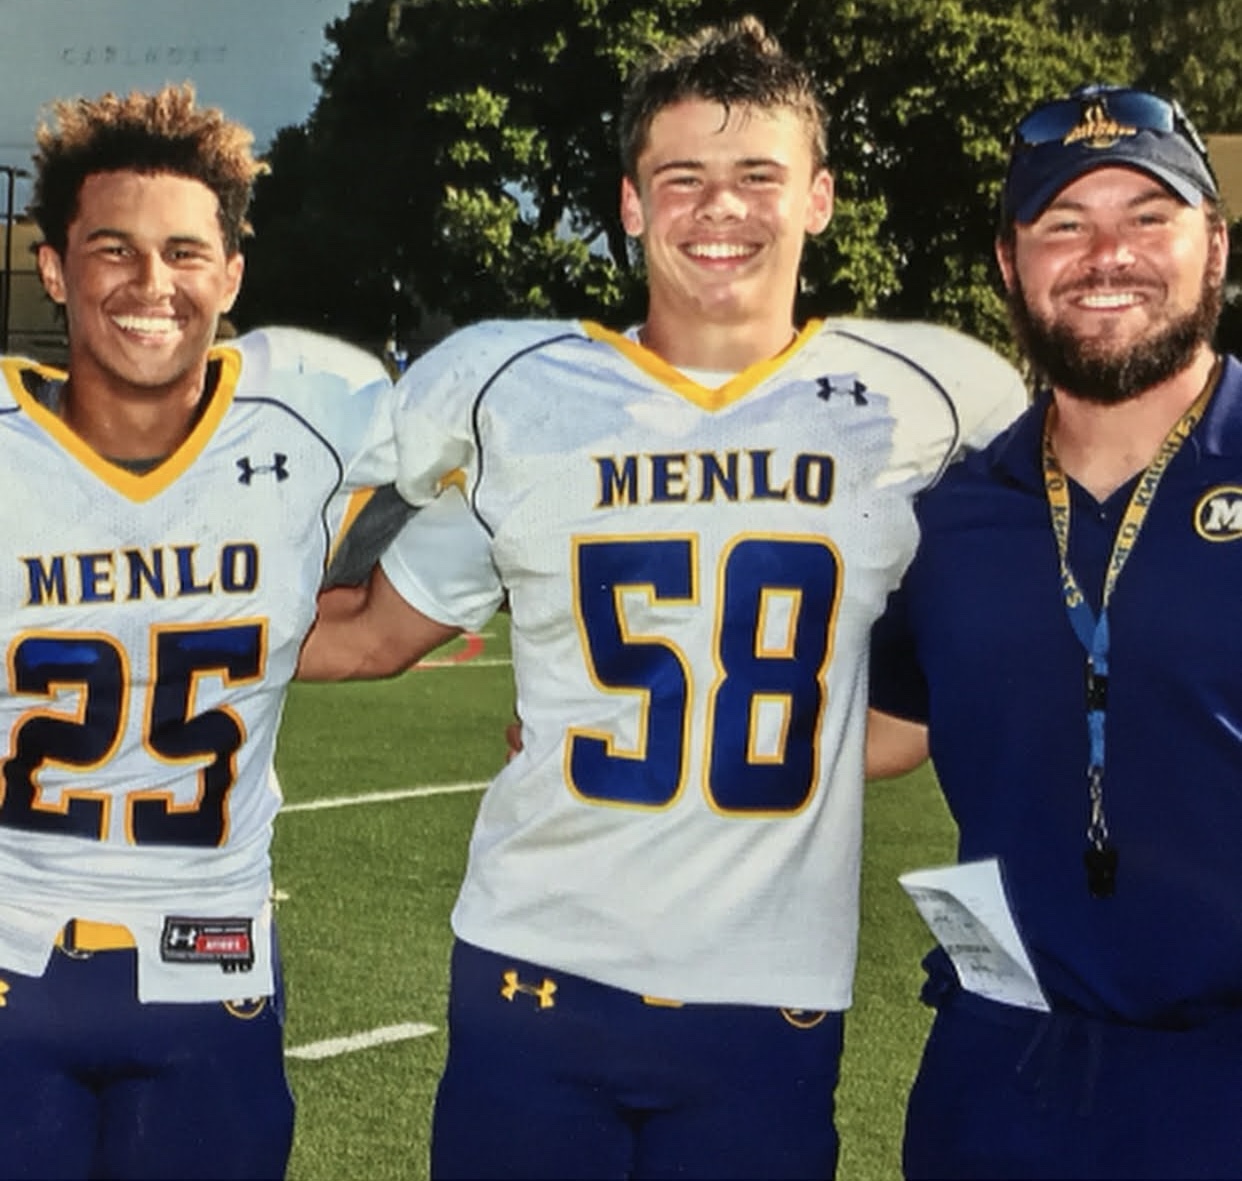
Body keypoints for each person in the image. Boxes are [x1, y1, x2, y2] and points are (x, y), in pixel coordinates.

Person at [297, 15, 1026, 1180]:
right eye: (680, 177)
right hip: (531, 964)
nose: (718, 209)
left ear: (821, 196)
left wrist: (837, 730)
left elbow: (1031, 609)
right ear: (633, 204)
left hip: (771, 987)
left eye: (757, 177)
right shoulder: (517, 386)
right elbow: (355, 605)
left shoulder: (931, 395)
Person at [0, 83, 471, 1179]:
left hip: (210, 976)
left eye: (183, 251)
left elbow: (505, 461)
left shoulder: (316, 404)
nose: (151, 284)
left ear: (233, 274)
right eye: (111, 249)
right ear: (57, 269)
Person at [868, 83, 1240, 1179]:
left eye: (1148, 217)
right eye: (1064, 223)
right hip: (1004, 1079)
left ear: (1213, 246)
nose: (1106, 253)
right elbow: (888, 727)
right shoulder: (952, 513)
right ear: (1008, 261)